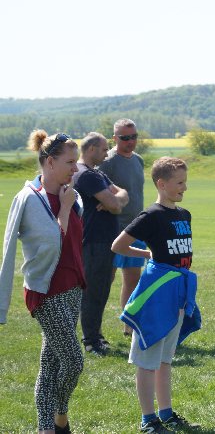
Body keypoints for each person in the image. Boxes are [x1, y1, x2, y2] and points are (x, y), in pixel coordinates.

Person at [0, 130, 84, 434]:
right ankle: (59, 416)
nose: (75, 168)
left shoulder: (73, 196)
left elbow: (75, 243)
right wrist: (2, 305)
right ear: (50, 162)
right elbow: (12, 248)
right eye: (70, 162)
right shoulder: (28, 199)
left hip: (74, 288)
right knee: (73, 361)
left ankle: (46, 428)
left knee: (50, 364)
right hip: (46, 292)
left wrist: (70, 204)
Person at [111, 157, 201, 432]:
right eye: (179, 182)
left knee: (164, 360)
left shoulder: (184, 215)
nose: (184, 187)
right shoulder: (151, 215)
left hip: (177, 295)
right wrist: (147, 254)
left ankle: (167, 413)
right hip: (156, 295)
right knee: (148, 361)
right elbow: (118, 245)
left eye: (185, 182)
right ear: (161, 184)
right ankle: (148, 419)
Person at [74, 132, 129, 356]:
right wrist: (114, 203)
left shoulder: (96, 173)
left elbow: (124, 195)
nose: (107, 154)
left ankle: (95, 335)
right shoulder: (88, 175)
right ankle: (91, 340)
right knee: (95, 292)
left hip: (102, 241)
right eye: (104, 149)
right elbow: (115, 204)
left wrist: (115, 201)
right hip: (96, 241)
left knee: (100, 289)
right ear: (91, 149)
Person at [99, 119, 146, 338]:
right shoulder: (107, 162)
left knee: (133, 279)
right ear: (114, 138)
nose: (130, 141)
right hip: (111, 230)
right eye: (125, 137)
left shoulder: (138, 160)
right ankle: (94, 329)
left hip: (135, 229)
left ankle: (129, 326)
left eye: (133, 136)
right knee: (104, 280)